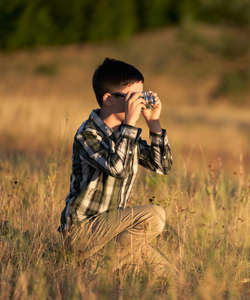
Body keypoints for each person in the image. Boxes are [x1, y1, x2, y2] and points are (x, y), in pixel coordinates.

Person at [59, 58, 173, 274]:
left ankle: (97, 264)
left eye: (142, 95)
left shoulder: (125, 135)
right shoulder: (88, 134)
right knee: (155, 215)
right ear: (108, 100)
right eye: (133, 97)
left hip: (112, 232)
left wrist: (154, 123)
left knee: (169, 276)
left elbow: (162, 166)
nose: (140, 103)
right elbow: (117, 168)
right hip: (83, 231)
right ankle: (95, 270)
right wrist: (130, 123)